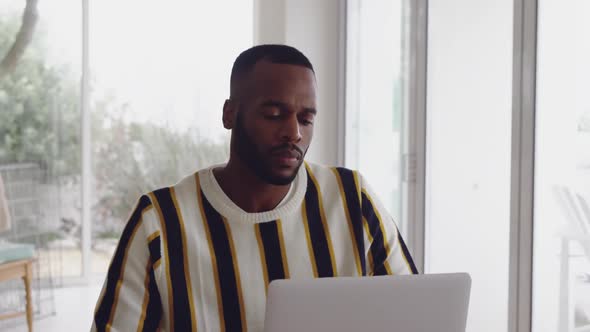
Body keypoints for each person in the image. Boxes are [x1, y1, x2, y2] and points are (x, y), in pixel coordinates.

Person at [91, 44, 418, 332]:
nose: (294, 133)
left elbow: (416, 314)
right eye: (274, 115)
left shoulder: (352, 200)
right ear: (230, 114)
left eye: (306, 119)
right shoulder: (160, 221)